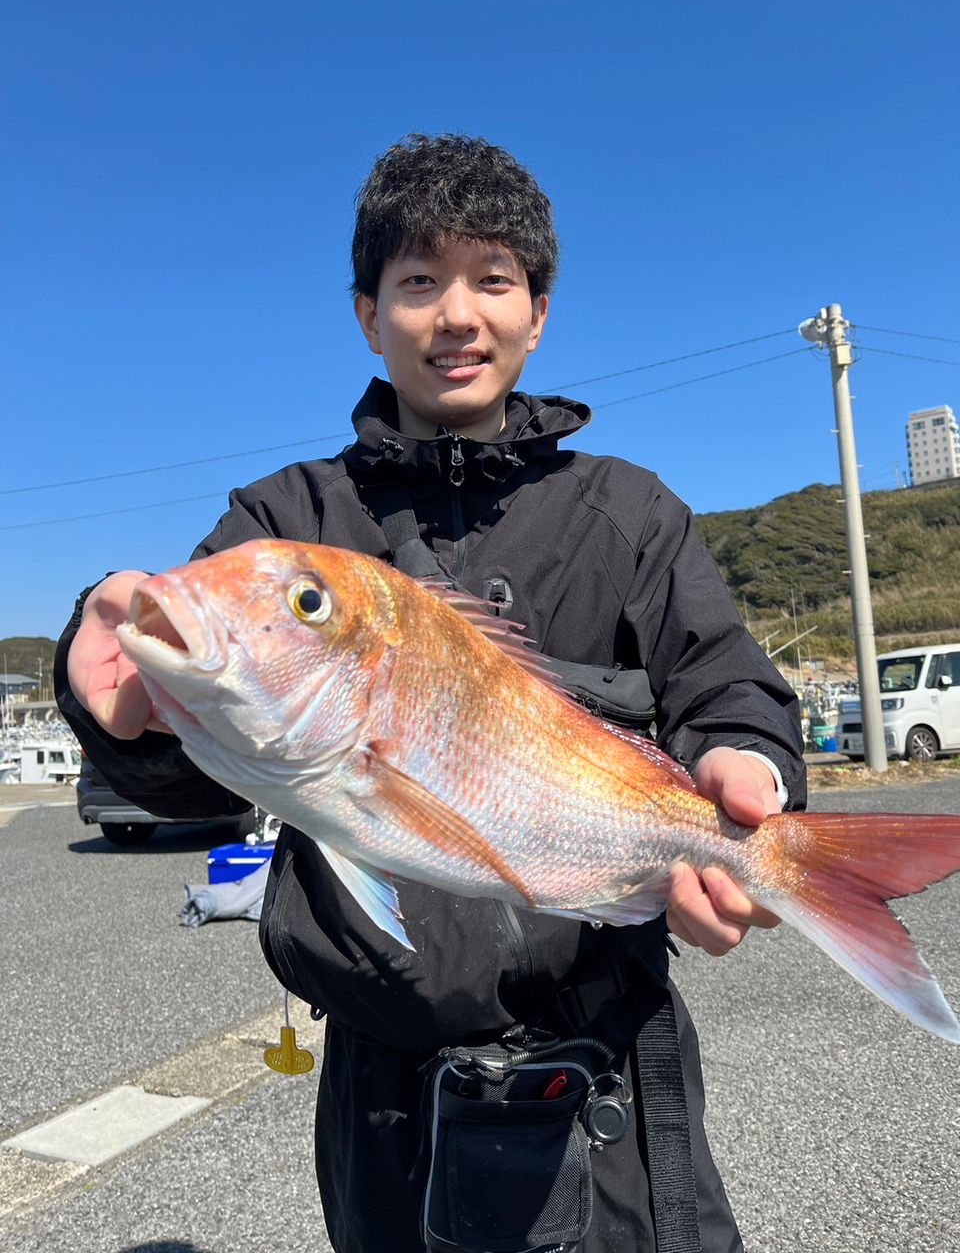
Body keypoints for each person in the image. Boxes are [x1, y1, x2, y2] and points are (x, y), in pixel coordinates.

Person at [56, 133, 805, 1253]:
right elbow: (193, 747)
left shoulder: (632, 512)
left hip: (612, 1073)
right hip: (383, 1093)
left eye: (493, 280)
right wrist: (111, 701)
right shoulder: (285, 518)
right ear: (367, 313)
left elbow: (727, 682)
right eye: (418, 282)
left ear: (538, 311)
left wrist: (751, 765)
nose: (457, 315)